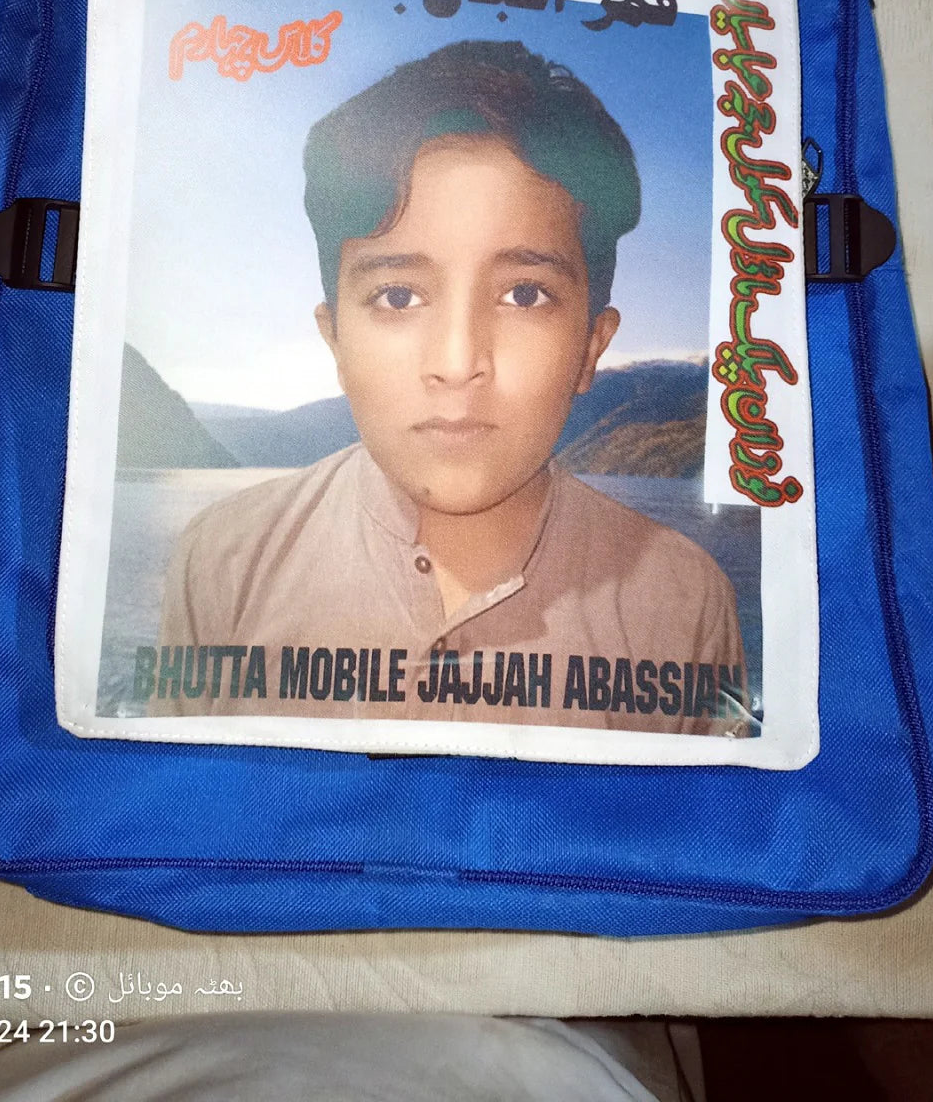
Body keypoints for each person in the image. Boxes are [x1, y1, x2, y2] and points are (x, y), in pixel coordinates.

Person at [150, 41, 748, 734]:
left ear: (591, 346)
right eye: (399, 296)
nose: (458, 362)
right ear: (336, 340)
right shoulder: (224, 562)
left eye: (524, 294)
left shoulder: (685, 600)